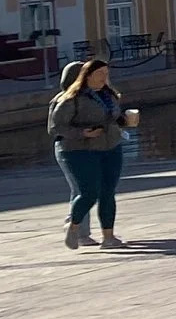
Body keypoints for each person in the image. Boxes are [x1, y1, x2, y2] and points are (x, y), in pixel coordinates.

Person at [47, 58, 131, 250]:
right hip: (79, 150)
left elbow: (114, 117)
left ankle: (108, 237)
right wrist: (82, 133)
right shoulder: (70, 98)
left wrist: (125, 121)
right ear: (87, 76)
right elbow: (55, 127)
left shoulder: (109, 95)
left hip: (110, 147)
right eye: (100, 74)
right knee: (88, 192)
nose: (104, 78)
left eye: (106, 74)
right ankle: (74, 227)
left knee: (108, 192)